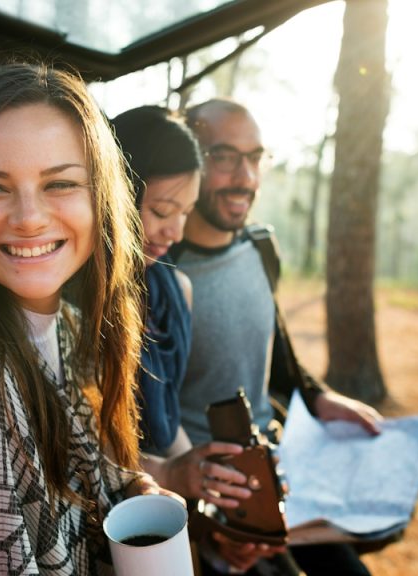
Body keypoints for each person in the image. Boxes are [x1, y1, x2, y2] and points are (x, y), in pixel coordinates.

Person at [0, 63, 178, 575]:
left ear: (102, 195)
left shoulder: (71, 326)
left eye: (60, 183)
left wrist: (130, 487)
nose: (28, 217)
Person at [171, 98, 384, 576]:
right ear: (190, 161)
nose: (245, 177)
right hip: (210, 496)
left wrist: (322, 398)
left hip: (282, 470)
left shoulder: (262, 248)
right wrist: (205, 528)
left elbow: (278, 359)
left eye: (255, 158)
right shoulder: (161, 272)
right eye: (224, 157)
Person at [110, 105, 258, 512]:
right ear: (114, 189)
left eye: (185, 214)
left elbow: (167, 425)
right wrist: (176, 474)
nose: (174, 232)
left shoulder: (176, 291)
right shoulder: (73, 303)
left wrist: (209, 486)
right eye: (161, 211)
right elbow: (85, 450)